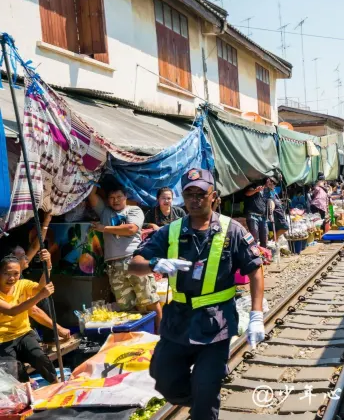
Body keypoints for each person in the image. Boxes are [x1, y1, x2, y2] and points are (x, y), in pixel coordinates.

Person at [129, 168, 265, 420]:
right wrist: (154, 264)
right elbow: (134, 264)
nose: (195, 199)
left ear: (213, 196)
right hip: (178, 322)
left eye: (201, 194)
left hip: (216, 324)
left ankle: (205, 405)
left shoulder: (231, 231)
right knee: (164, 380)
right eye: (189, 193)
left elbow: (255, 270)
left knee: (205, 389)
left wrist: (257, 315)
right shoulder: (170, 231)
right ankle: (202, 401)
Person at [88, 184, 162, 332]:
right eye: (111, 198)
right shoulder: (105, 212)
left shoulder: (133, 210)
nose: (115, 201)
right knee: (125, 307)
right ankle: (136, 337)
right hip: (114, 266)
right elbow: (92, 196)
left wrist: (104, 228)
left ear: (125, 197)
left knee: (150, 300)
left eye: (119, 197)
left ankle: (161, 335)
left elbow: (131, 229)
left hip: (134, 262)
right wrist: (94, 175)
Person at [0, 254, 58, 384]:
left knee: (39, 357)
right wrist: (40, 296)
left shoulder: (23, 284)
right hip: (2, 339)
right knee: (13, 373)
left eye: (16, 274)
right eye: (7, 274)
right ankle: (27, 385)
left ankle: (56, 383)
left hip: (23, 333)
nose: (12, 278)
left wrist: (47, 265)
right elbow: (12, 310)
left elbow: (39, 288)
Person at [10, 244, 71, 341]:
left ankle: (50, 336)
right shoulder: (8, 283)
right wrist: (58, 329)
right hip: (10, 333)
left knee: (44, 298)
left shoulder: (21, 281)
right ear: (12, 260)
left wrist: (48, 265)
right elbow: (33, 310)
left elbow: (39, 289)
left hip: (21, 328)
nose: (27, 258)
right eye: (22, 256)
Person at [244, 179, 269, 248]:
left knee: (264, 237)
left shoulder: (267, 191)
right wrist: (256, 190)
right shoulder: (254, 186)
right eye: (271, 181)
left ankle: (263, 256)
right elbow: (247, 193)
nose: (272, 183)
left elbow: (270, 201)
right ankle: (252, 254)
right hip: (252, 215)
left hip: (262, 217)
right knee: (254, 237)